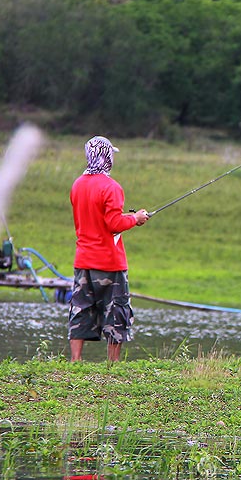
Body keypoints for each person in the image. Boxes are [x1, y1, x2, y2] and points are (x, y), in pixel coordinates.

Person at [68, 136, 149, 362]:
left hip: (83, 260)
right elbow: (113, 224)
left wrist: (128, 217)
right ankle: (113, 364)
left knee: (80, 308)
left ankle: (76, 360)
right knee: (116, 311)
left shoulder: (77, 185)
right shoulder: (111, 188)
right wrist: (135, 218)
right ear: (106, 157)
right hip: (109, 262)